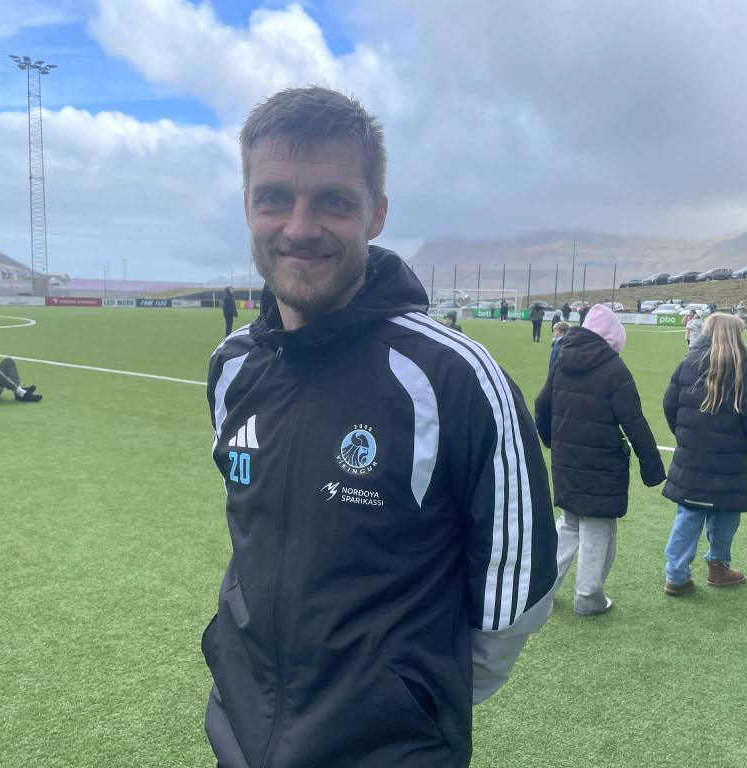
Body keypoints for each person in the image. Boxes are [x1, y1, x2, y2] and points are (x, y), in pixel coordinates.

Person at [203, 86, 557, 768]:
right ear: (247, 206)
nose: (299, 227)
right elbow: (250, 535)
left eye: (333, 201)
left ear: (376, 214)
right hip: (241, 734)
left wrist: (406, 702)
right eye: (274, 198)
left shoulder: (456, 378)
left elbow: (517, 596)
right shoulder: (232, 367)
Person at [534, 303, 665, 616]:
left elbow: (541, 404)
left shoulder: (562, 360)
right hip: (602, 467)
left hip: (566, 461)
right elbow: (634, 422)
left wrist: (552, 441)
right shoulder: (615, 369)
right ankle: (588, 598)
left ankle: (541, 592)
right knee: (597, 530)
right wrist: (652, 468)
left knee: (568, 525)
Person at [661, 313, 747, 595]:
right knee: (726, 510)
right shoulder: (743, 369)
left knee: (689, 512)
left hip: (691, 454)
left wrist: (684, 434)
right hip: (728, 457)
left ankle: (676, 575)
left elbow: (669, 404)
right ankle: (718, 568)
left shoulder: (688, 363)